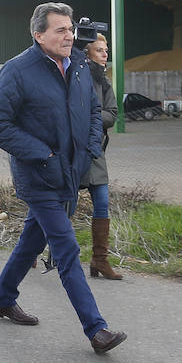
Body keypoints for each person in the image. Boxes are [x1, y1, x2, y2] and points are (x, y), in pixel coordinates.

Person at [0, 2, 128, 354]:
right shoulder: (18, 71)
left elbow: (94, 110)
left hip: (71, 170)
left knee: (32, 242)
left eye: (70, 29)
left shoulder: (79, 64)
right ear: (39, 35)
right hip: (39, 175)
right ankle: (96, 329)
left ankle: (3, 299)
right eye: (60, 30)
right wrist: (45, 156)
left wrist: (90, 148)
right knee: (66, 248)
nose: (70, 36)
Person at [81, 32, 122, 279]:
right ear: (86, 54)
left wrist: (91, 118)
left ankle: (99, 260)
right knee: (58, 204)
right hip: (72, 151)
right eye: (99, 50)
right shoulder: (75, 76)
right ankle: (32, 250)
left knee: (102, 203)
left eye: (106, 51)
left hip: (95, 152)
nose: (105, 55)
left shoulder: (104, 82)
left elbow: (113, 114)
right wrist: (95, 117)